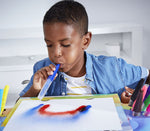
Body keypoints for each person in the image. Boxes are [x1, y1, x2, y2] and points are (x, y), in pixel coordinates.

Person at [19, 0, 150, 103]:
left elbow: (147, 77)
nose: (56, 53)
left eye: (65, 44)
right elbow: (16, 111)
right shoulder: (41, 69)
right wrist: (34, 90)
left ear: (85, 41)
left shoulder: (114, 68)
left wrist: (138, 97)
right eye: (49, 45)